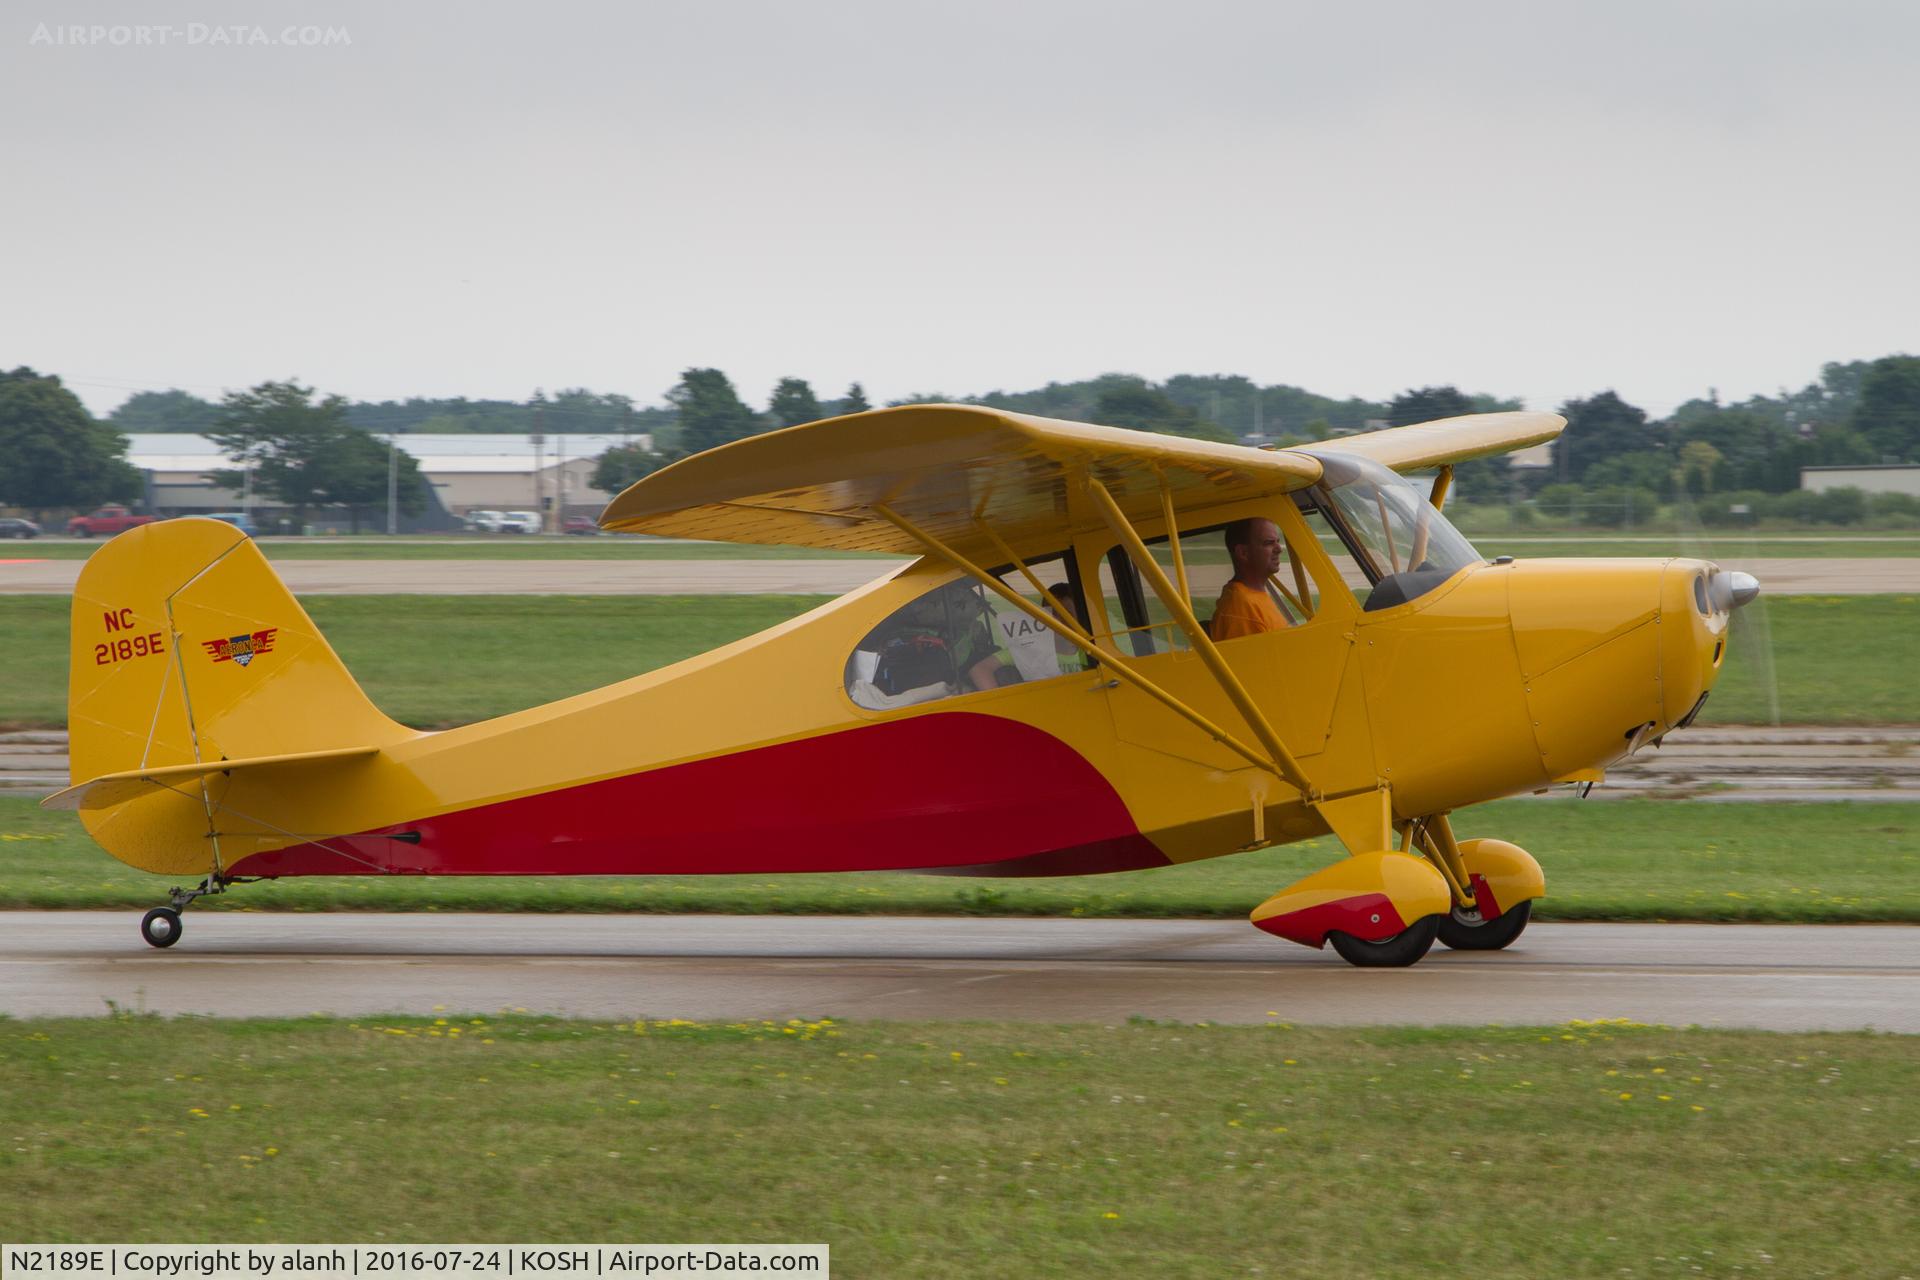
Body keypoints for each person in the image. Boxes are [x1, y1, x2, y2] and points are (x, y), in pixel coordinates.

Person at [1211, 517, 1292, 639]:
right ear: (1243, 553)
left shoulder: (1252, 597)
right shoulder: (1242, 608)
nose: (1279, 549)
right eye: (1269, 543)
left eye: (1277, 541)